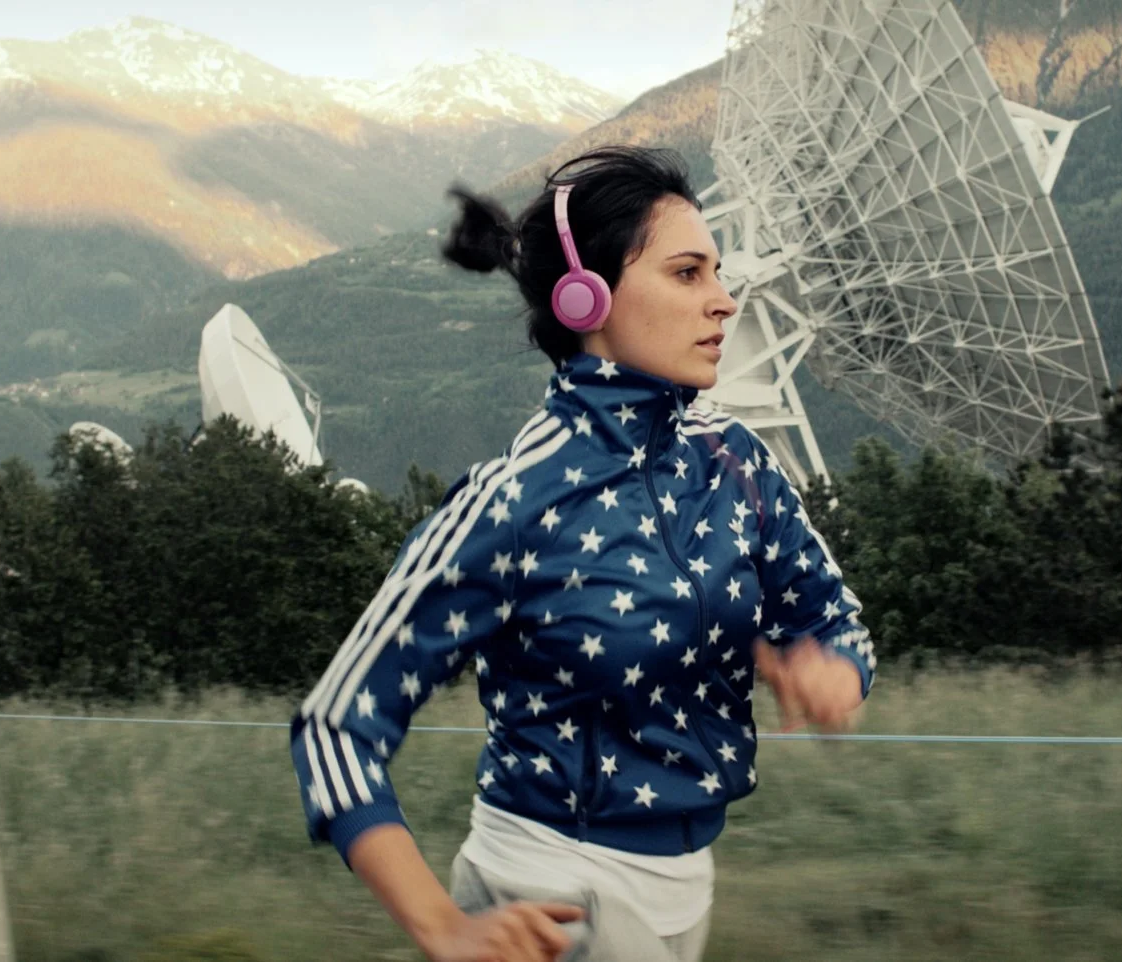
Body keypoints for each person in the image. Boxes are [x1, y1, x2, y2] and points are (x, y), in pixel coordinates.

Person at [288, 145, 879, 962]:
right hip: (549, 900)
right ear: (585, 297)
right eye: (687, 274)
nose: (725, 300)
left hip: (687, 892)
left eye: (717, 272)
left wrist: (836, 672)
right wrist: (441, 925)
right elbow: (334, 728)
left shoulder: (736, 463)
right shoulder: (514, 504)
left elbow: (833, 618)